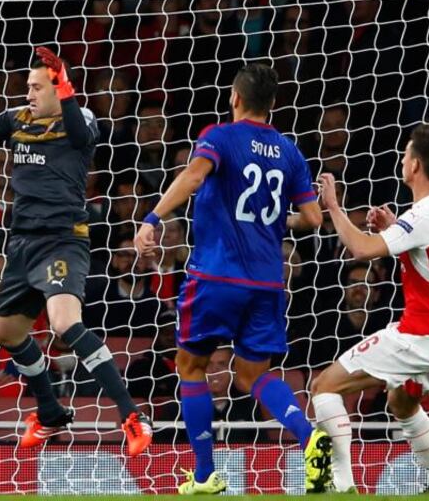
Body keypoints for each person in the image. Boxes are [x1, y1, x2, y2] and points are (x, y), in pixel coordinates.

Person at [0, 47, 153, 456]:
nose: (29, 93)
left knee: (65, 323)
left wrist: (65, 88)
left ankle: (132, 414)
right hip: (22, 243)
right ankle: (49, 411)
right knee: (7, 333)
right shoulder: (17, 120)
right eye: (27, 86)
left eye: (37, 87)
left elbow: (82, 139)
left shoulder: (79, 119)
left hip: (63, 237)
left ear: (59, 87)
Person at [133, 64, 327, 494]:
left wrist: (153, 217)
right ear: (272, 104)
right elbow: (313, 218)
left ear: (235, 98)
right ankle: (309, 435)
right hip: (268, 283)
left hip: (217, 275)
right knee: (252, 375)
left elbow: (195, 174)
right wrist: (277, 219)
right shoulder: (290, 151)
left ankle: (204, 474)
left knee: (190, 364)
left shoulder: (219, 136)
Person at [313, 123, 429, 494]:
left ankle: (343, 485)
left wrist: (333, 206)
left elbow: (363, 250)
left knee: (323, 387)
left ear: (415, 165)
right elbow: (428, 257)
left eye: (406, 153)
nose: (402, 158)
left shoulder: (424, 214)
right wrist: (394, 228)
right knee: (402, 403)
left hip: (422, 335)